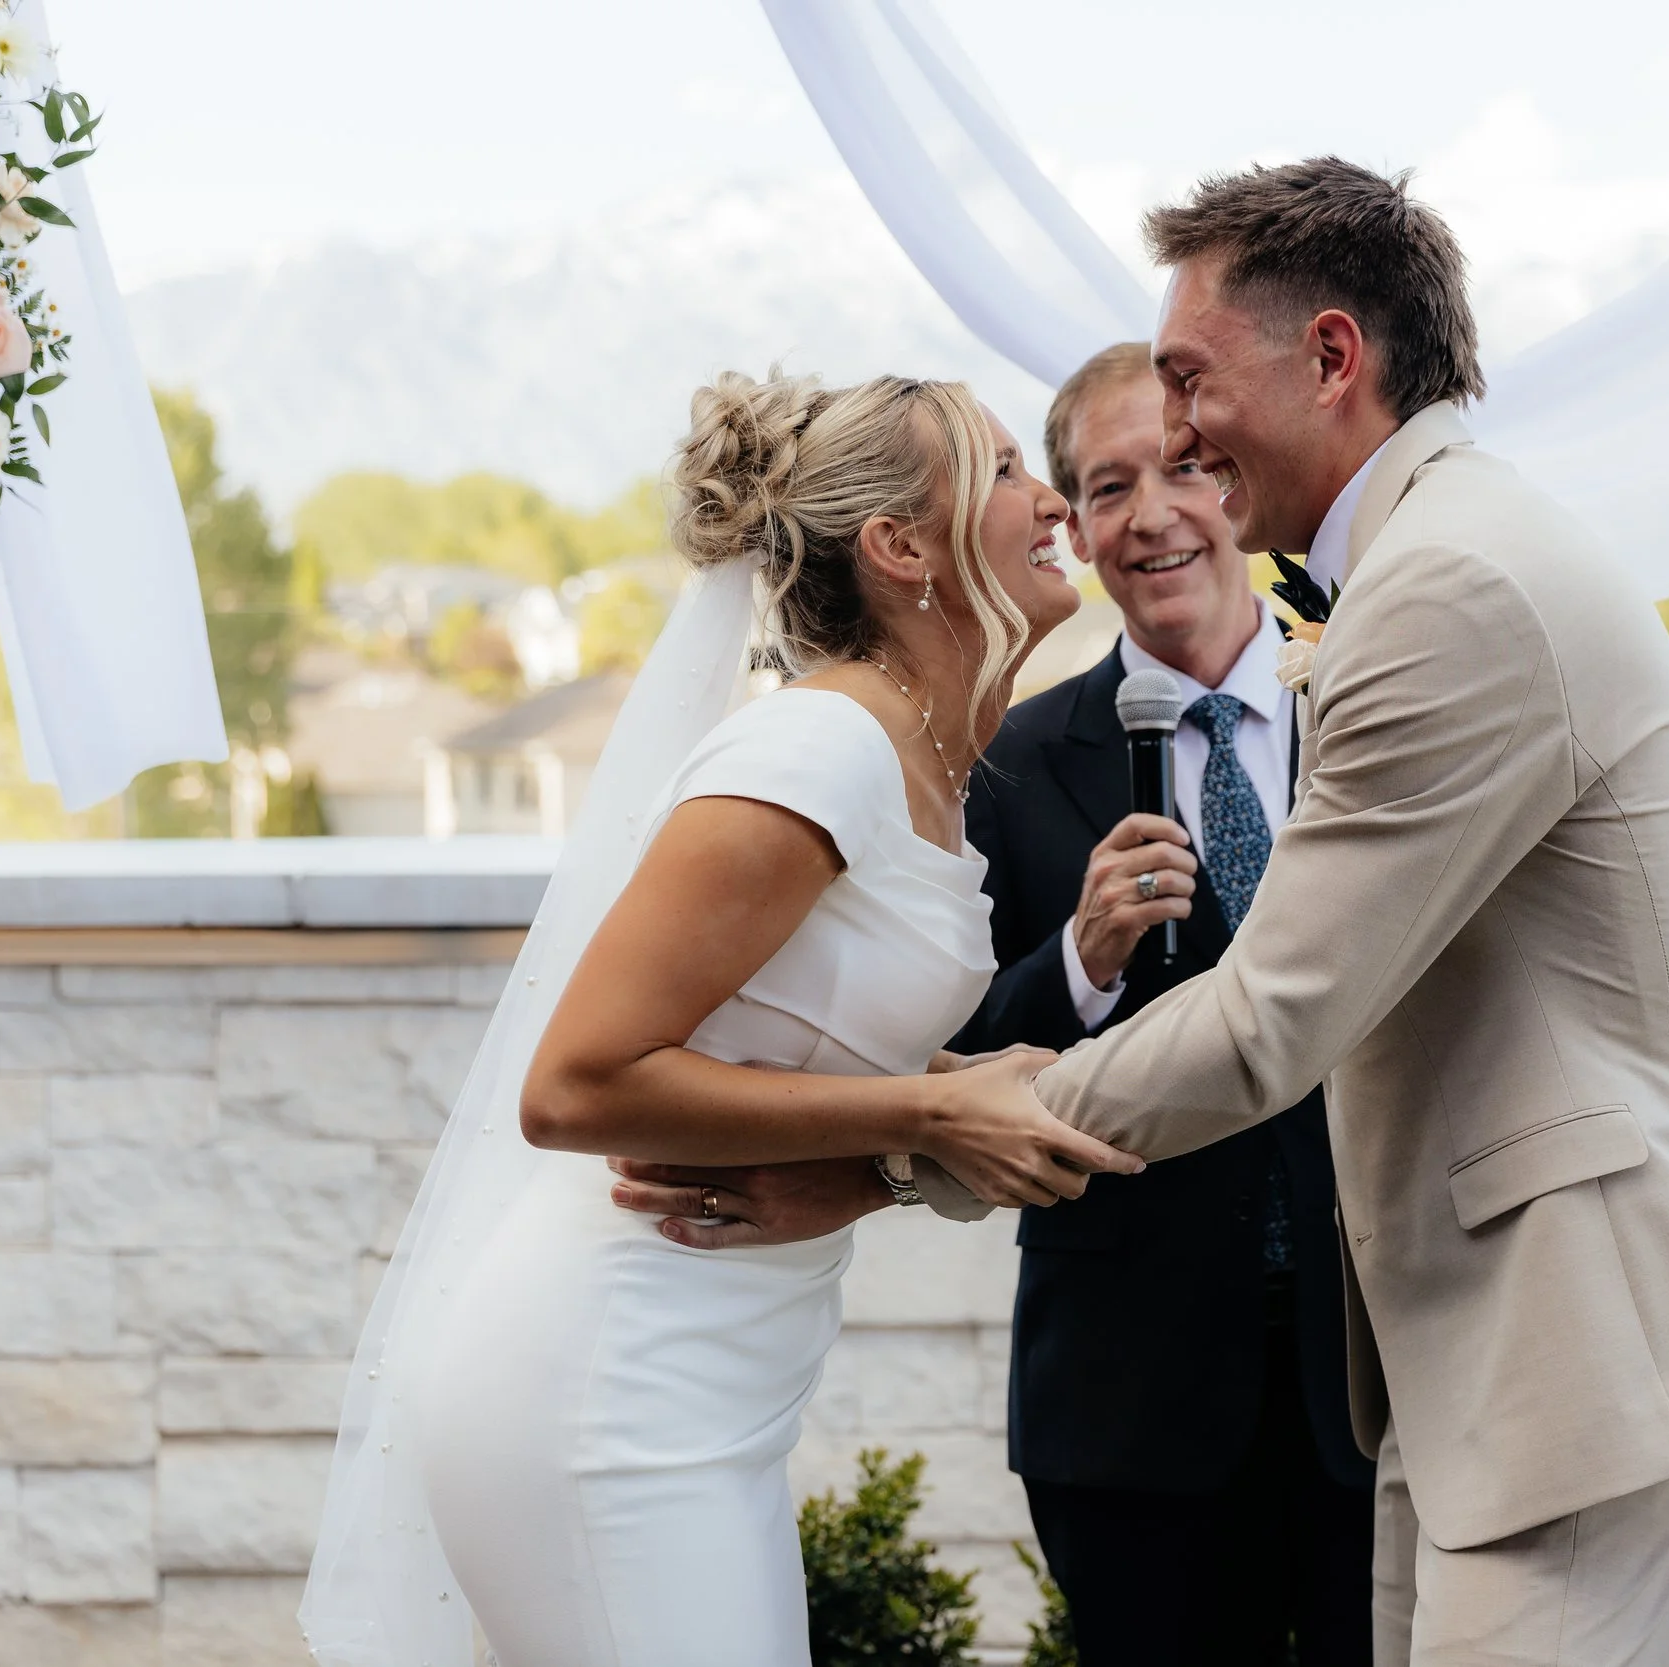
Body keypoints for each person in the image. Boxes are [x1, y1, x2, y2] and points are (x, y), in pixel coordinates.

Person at [952, 159, 1669, 1667]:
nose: (1169, 433)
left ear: (1335, 358)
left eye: (1188, 380)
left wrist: (921, 1143)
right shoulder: (1435, 555)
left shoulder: (1447, 587)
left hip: (1579, 1348)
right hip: (1495, 1350)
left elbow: (1270, 1015)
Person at [305, 369, 1141, 1667]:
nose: (1050, 503)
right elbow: (574, 1083)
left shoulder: (925, 759)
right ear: (902, 546)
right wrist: (926, 1107)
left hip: (713, 1395)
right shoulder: (818, 750)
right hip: (607, 1391)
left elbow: (796, 1041)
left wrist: (880, 1161)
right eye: (1006, 471)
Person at [959, 342, 1372, 1664]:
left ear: (1237, 484)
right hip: (1129, 1399)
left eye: (1186, 466)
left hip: (1372, 1375)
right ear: (1074, 530)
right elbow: (952, 1062)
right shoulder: (1017, 761)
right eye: (1107, 486)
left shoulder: (1368, 707)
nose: (1153, 515)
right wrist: (1076, 958)